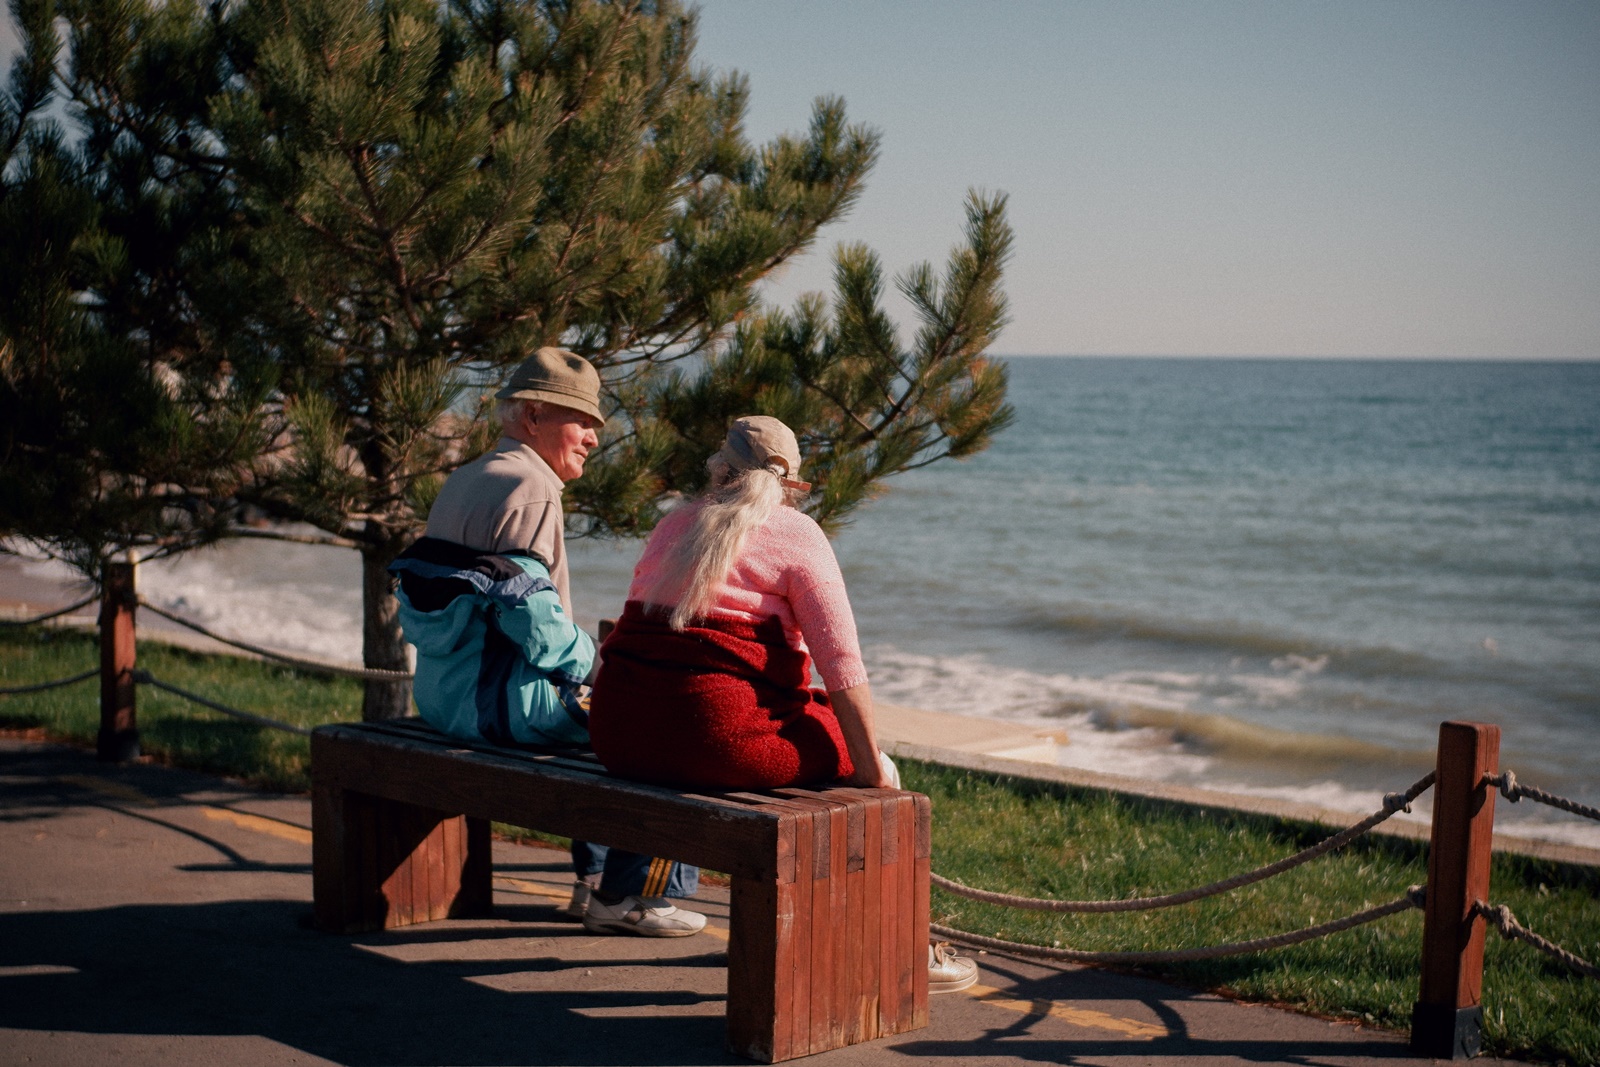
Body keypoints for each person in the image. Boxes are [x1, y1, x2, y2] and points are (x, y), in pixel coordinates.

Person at [589, 415, 978, 991]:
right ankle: (902, 951)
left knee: (756, 722)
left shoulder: (674, 525)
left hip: (620, 735)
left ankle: (621, 891)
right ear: (788, 485)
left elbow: (629, 635)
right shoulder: (796, 533)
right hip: (713, 738)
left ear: (720, 470)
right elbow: (841, 664)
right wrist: (873, 768)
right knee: (870, 771)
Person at [388, 346, 704, 938]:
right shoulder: (533, 489)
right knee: (662, 729)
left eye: (595, 426)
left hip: (441, 695)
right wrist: (600, 665)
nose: (591, 438)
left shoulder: (469, 476)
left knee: (604, 716)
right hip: (499, 708)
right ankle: (637, 896)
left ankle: (594, 882)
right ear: (532, 417)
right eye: (579, 421)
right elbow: (532, 623)